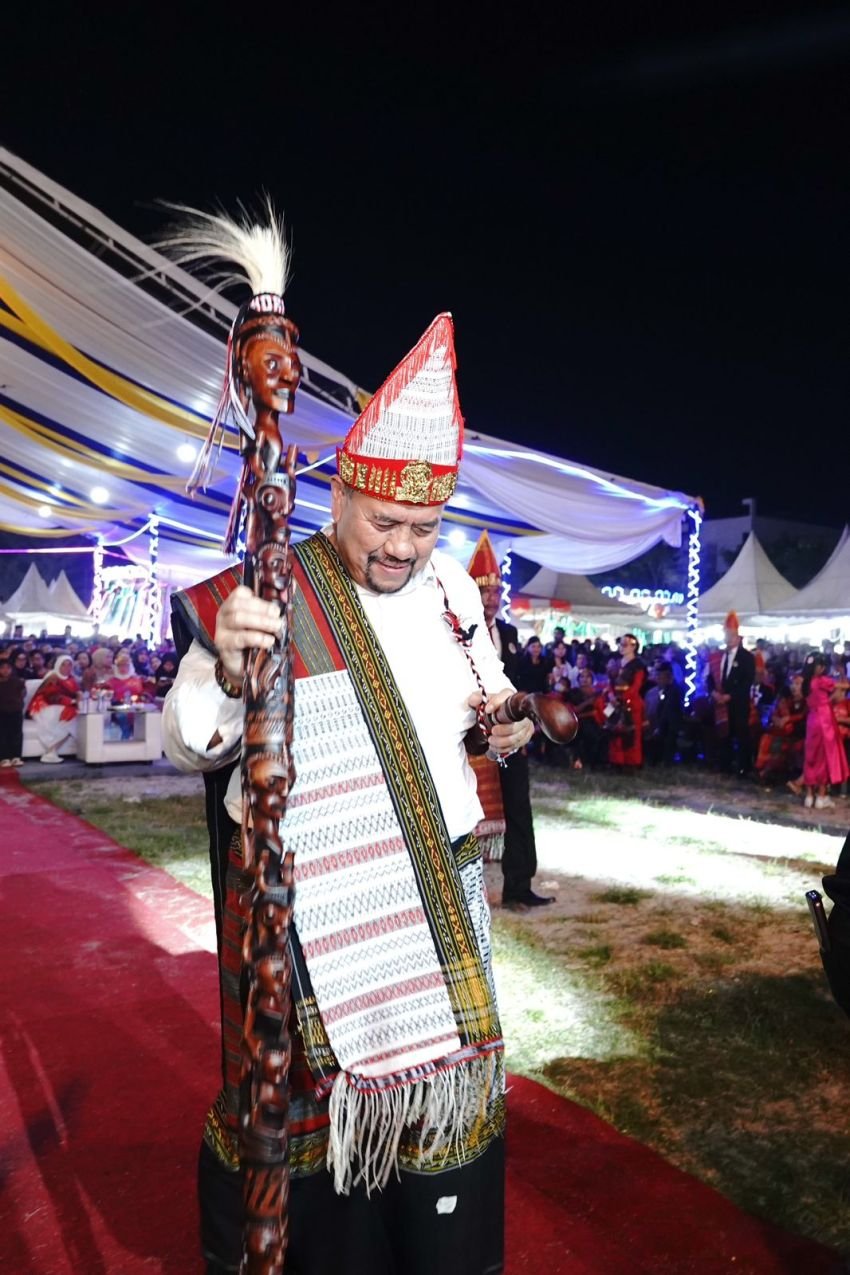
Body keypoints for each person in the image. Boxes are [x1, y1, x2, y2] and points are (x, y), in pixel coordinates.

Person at [163, 224, 524, 1275]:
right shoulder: (265, 586)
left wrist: (496, 721)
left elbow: (472, 703)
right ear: (336, 489)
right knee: (321, 1197)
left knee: (441, 1170)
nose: (405, 547)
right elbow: (191, 742)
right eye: (385, 521)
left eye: (426, 525)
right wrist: (230, 667)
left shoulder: (457, 590)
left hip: (436, 912)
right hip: (308, 932)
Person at [469, 530, 554, 910]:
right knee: (467, 811)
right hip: (470, 737)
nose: (492, 597)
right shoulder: (459, 631)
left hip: (510, 734)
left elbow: (525, 683)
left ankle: (519, 884)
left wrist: (529, 720)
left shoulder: (509, 631)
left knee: (519, 804)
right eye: (484, 590)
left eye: (495, 590)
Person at [707, 610, 756, 776]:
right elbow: (710, 678)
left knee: (741, 735)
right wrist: (714, 693)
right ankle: (724, 765)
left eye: (730, 635)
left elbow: (746, 681)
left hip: (738, 703)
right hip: (720, 701)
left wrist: (730, 696)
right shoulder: (717, 656)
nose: (728, 638)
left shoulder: (747, 657)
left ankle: (743, 767)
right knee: (723, 735)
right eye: (726, 635)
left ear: (737, 636)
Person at [800, 652, 849, 809]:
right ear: (819, 667)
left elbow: (821, 699)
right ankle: (821, 796)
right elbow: (844, 685)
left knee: (810, 757)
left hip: (812, 720)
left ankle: (809, 796)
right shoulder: (821, 681)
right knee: (825, 757)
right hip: (825, 721)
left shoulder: (805, 683)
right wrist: (842, 673)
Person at [27, 653, 79, 763]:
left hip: (62, 705)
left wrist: (79, 696)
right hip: (44, 705)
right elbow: (51, 696)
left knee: (74, 715)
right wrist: (71, 701)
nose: (67, 668)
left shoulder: (71, 679)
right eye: (63, 665)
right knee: (70, 717)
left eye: (69, 665)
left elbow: (75, 693)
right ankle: (51, 751)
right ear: (58, 666)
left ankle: (51, 752)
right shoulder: (52, 678)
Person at [606, 634, 646, 768]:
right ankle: (616, 761)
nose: (621, 648)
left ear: (633, 646)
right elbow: (610, 683)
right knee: (613, 729)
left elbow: (636, 686)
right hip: (615, 701)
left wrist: (622, 698)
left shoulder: (638, 665)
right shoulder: (616, 663)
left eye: (625, 645)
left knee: (631, 732)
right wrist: (612, 696)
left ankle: (632, 762)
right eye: (620, 644)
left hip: (631, 702)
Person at [0, 656, 26, 767]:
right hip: (1, 711)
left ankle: (16, 757)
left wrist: (19, 705)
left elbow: (23, 693)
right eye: (2, 668)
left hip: (16, 711)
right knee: (3, 734)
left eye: (8, 668)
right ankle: (4, 757)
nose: (5, 670)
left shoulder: (17, 681)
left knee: (16, 734)